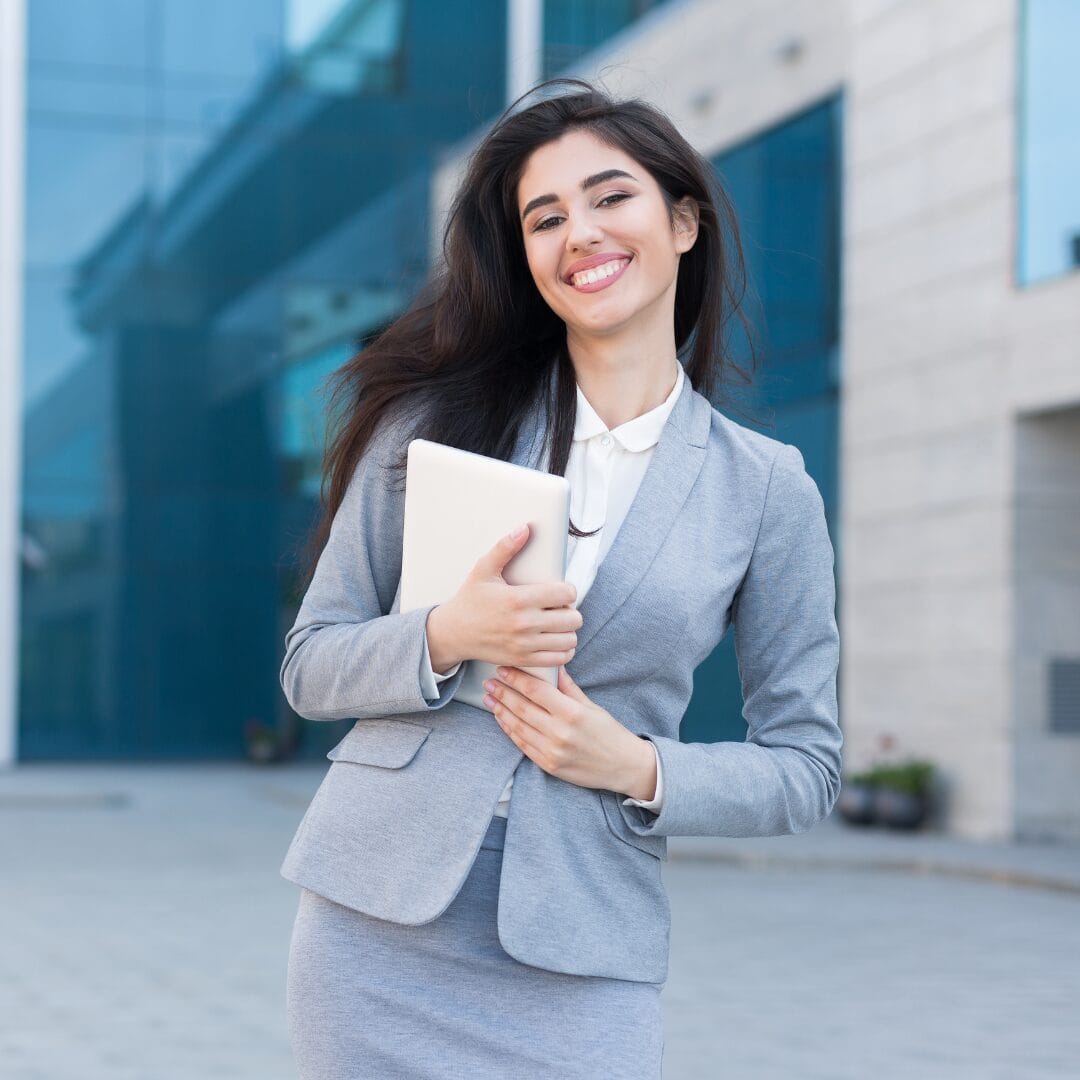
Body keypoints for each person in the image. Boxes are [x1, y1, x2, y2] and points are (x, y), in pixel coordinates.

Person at [281, 77, 842, 1079]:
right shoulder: (432, 426)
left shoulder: (767, 489)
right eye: (545, 218)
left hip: (584, 944)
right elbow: (311, 667)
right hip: (375, 924)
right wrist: (448, 634)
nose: (578, 232)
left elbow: (806, 765)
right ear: (530, 260)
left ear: (683, 221)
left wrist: (636, 765)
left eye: (609, 196)